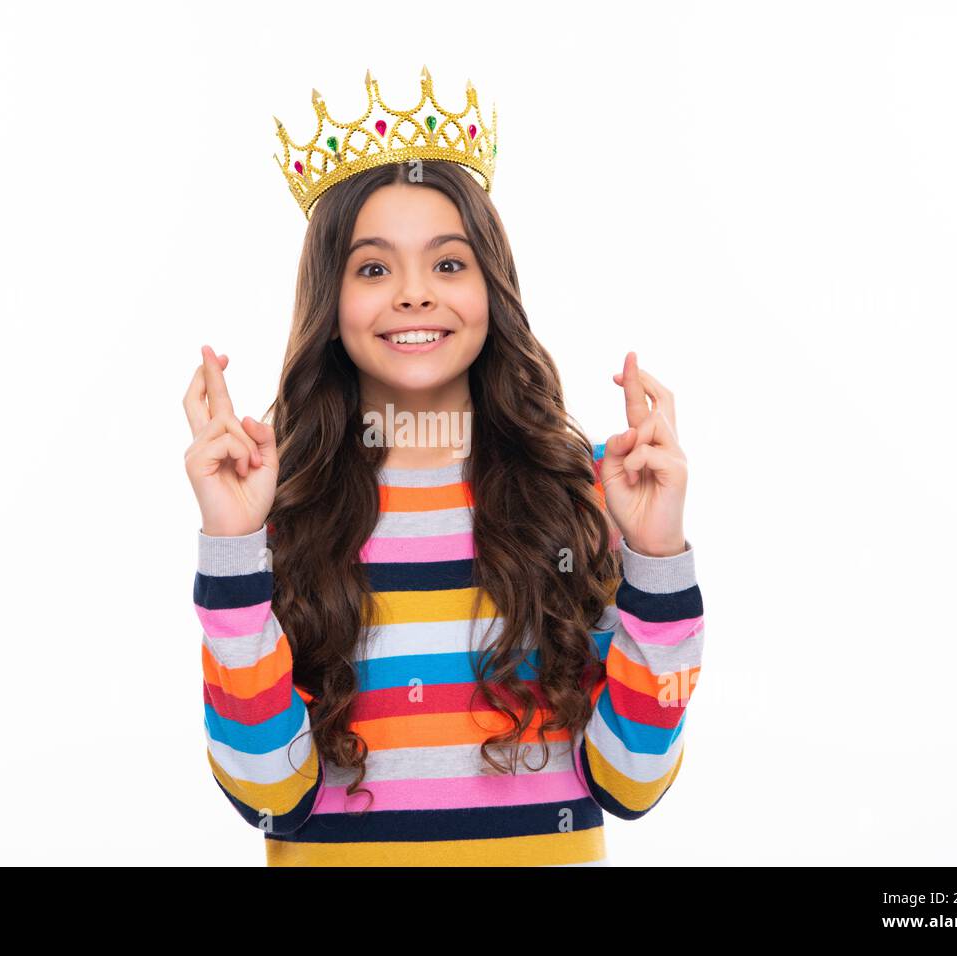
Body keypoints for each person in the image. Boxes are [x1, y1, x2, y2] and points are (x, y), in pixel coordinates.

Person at [183, 71, 705, 866]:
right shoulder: (280, 507)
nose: (415, 295)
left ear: (492, 287)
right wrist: (233, 546)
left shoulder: (582, 495)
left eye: (449, 264)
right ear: (332, 302)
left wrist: (656, 559)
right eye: (373, 268)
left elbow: (633, 780)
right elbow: (265, 788)